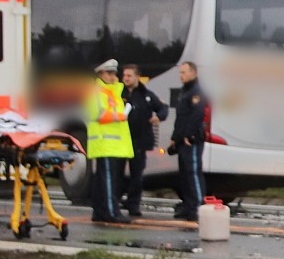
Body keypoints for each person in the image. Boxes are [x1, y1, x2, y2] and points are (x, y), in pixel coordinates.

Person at [86, 58, 134, 224]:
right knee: (108, 181)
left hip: (113, 145)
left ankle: (99, 211)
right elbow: (97, 115)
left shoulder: (113, 92)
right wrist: (119, 116)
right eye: (109, 73)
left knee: (103, 180)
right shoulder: (97, 92)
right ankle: (111, 212)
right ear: (100, 74)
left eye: (114, 73)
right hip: (104, 144)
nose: (113, 76)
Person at [120, 64, 167, 217]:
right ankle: (115, 200)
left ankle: (133, 204)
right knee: (117, 174)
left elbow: (163, 108)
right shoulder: (119, 93)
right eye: (124, 76)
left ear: (137, 77)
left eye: (129, 76)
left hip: (139, 141)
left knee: (137, 175)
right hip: (121, 140)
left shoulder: (146, 95)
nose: (126, 79)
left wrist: (158, 117)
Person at [166, 61, 209, 218]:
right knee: (184, 173)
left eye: (184, 72)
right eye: (180, 73)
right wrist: (174, 138)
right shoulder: (184, 92)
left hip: (192, 139)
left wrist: (188, 135)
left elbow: (197, 116)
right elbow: (181, 118)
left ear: (194, 73)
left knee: (193, 172)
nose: (181, 76)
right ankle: (188, 205)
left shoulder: (196, 92)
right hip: (182, 139)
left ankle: (197, 206)